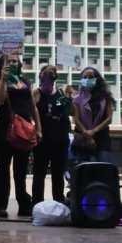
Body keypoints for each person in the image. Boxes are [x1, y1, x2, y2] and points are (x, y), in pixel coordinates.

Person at [0, 53, 42, 218]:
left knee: (21, 171)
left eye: (15, 61)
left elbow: (33, 107)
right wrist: (4, 80)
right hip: (4, 130)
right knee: (3, 170)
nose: (13, 63)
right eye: (9, 61)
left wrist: (38, 129)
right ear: (2, 65)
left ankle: (24, 204)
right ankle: (0, 206)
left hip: (24, 131)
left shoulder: (25, 83)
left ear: (20, 64)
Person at [31, 66, 72, 205]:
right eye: (45, 77)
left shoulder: (60, 93)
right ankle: (37, 202)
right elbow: (31, 109)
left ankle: (58, 201)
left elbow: (68, 113)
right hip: (42, 139)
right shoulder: (37, 93)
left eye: (50, 77)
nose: (47, 81)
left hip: (59, 139)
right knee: (39, 173)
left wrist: (69, 99)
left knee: (57, 173)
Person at [71, 67, 115, 164]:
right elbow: (76, 120)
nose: (87, 79)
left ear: (97, 79)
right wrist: (87, 135)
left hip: (101, 136)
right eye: (84, 77)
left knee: (104, 166)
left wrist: (94, 131)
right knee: (85, 169)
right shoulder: (76, 98)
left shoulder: (106, 97)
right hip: (83, 136)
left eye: (90, 77)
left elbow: (109, 119)